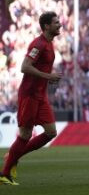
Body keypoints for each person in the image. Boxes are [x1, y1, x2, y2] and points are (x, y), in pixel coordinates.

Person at [1, 12, 62, 185]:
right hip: (29, 95)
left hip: (40, 96)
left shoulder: (50, 44)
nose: (60, 25)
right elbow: (24, 67)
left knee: (51, 132)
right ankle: (5, 173)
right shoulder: (39, 44)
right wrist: (48, 76)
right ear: (46, 26)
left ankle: (14, 155)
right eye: (56, 23)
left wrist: (47, 79)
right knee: (25, 135)